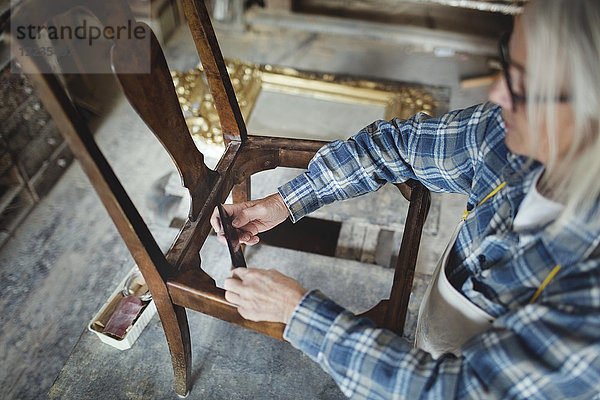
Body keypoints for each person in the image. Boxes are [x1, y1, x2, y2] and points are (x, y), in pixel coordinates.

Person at [210, 0, 600, 398]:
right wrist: (284, 202)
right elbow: (393, 147)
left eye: (525, 84)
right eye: (508, 63)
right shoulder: (503, 136)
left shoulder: (591, 293)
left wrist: (298, 313)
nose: (498, 93)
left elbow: (454, 391)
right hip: (434, 339)